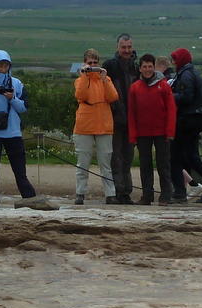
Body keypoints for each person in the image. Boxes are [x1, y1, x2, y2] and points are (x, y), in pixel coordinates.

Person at [0, 49, 55, 212]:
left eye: (6, 64)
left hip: (12, 132)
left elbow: (23, 108)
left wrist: (12, 98)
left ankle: (29, 198)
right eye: (0, 64)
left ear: (9, 66)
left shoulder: (17, 84)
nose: (3, 67)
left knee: (20, 168)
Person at [168, 47, 202, 204]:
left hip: (185, 121)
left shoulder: (185, 75)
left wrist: (169, 95)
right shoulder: (194, 73)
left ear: (181, 60)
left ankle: (179, 192)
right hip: (193, 121)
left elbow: (186, 96)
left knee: (175, 158)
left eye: (175, 59)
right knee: (192, 158)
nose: (173, 63)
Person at [127, 52, 176, 205]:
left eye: (150, 66)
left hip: (161, 132)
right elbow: (131, 113)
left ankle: (166, 196)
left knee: (163, 165)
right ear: (140, 69)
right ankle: (147, 196)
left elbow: (171, 110)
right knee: (145, 166)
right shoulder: (135, 88)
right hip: (143, 133)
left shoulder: (163, 86)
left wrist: (170, 132)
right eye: (144, 67)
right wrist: (133, 135)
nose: (147, 69)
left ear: (154, 68)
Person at [73, 48, 119, 205]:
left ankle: (110, 194)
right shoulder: (80, 80)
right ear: (84, 63)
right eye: (89, 62)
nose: (92, 65)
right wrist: (85, 75)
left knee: (105, 163)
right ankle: (80, 193)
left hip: (104, 125)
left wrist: (105, 79)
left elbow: (113, 97)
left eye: (95, 62)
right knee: (83, 163)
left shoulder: (105, 80)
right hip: (84, 126)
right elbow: (80, 95)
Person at [102, 34, 139, 204]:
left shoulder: (136, 67)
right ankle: (117, 191)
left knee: (128, 157)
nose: (126, 50)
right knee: (115, 157)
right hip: (115, 119)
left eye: (129, 47)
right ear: (117, 47)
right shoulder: (109, 66)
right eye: (123, 47)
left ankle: (126, 192)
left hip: (132, 119)